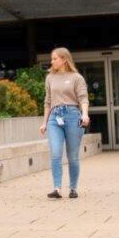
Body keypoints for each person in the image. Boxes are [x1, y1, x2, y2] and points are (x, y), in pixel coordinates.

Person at [39, 47, 90, 199]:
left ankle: (73, 188)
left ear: (64, 60)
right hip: (54, 118)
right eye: (52, 58)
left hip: (73, 116)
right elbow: (48, 101)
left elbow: (83, 98)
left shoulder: (76, 77)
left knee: (72, 156)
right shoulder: (50, 78)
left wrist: (84, 114)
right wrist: (44, 122)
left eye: (55, 58)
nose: (52, 61)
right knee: (55, 153)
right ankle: (57, 188)